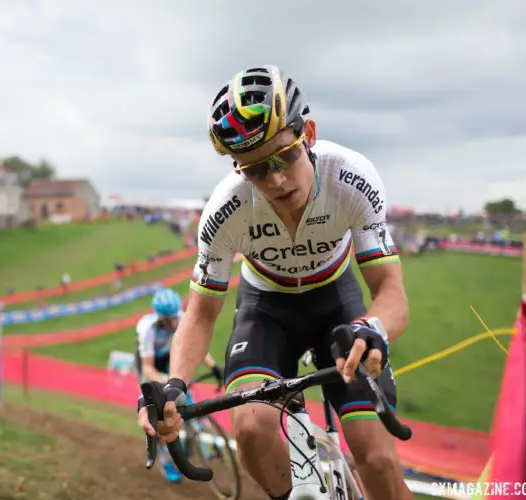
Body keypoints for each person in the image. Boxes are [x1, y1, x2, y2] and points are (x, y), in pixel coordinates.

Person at [137, 65, 411, 499]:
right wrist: (174, 386)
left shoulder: (351, 177)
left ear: (311, 135)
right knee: (249, 429)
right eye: (257, 170)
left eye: (285, 156)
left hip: (337, 307)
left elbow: (390, 291)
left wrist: (372, 329)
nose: (277, 179)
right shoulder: (226, 210)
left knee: (375, 459)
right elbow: (201, 314)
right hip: (266, 311)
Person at [135, 287, 223, 484]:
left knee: (184, 392)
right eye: (169, 319)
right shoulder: (148, 330)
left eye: (175, 317)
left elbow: (194, 347)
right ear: (160, 318)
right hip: (150, 364)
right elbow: (148, 368)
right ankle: (166, 459)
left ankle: (198, 433)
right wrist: (167, 382)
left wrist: (214, 366)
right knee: (158, 413)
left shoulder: (181, 318)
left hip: (168, 356)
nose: (174, 322)